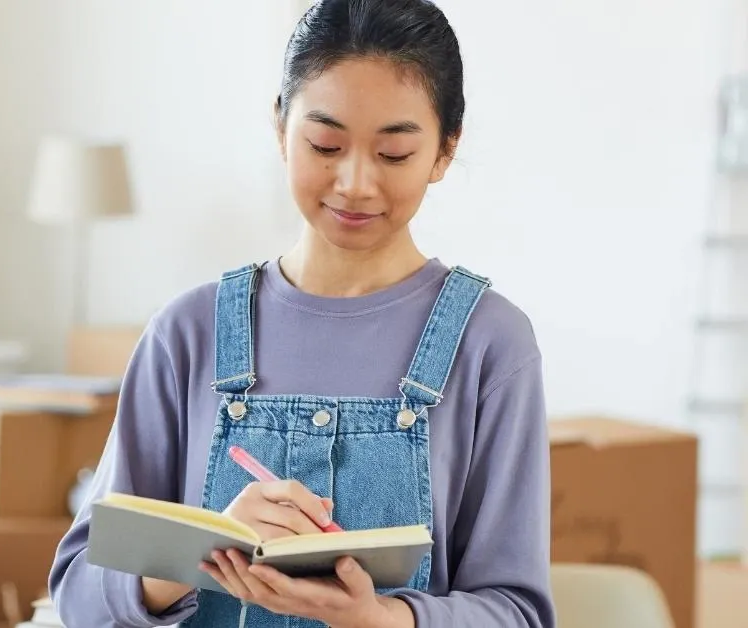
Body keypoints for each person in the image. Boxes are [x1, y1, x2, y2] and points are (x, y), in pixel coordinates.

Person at [48, 0, 554, 626]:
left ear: (445, 151)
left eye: (394, 154)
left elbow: (518, 612)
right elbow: (78, 596)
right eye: (325, 143)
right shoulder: (187, 334)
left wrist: (376, 618)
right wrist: (204, 549)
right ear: (280, 125)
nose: (355, 182)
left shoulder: (490, 343)